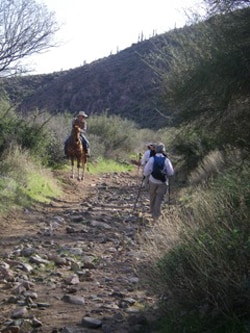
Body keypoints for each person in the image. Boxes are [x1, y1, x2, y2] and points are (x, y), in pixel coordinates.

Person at [143, 143, 174, 222]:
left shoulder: (152, 159)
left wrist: (146, 176)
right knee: (159, 198)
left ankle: (152, 211)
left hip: (153, 180)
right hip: (163, 182)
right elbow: (171, 172)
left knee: (152, 195)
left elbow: (146, 171)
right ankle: (156, 216)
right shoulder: (166, 160)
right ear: (163, 151)